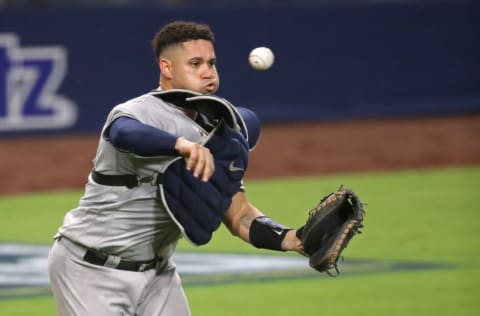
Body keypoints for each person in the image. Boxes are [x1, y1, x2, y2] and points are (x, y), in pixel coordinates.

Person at [47, 20, 304, 316]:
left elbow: (239, 214)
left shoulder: (217, 131)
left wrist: (290, 239)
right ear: (167, 68)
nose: (207, 72)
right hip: (89, 270)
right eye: (195, 64)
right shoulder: (139, 111)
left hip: (159, 275)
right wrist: (180, 145)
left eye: (211, 63)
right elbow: (123, 134)